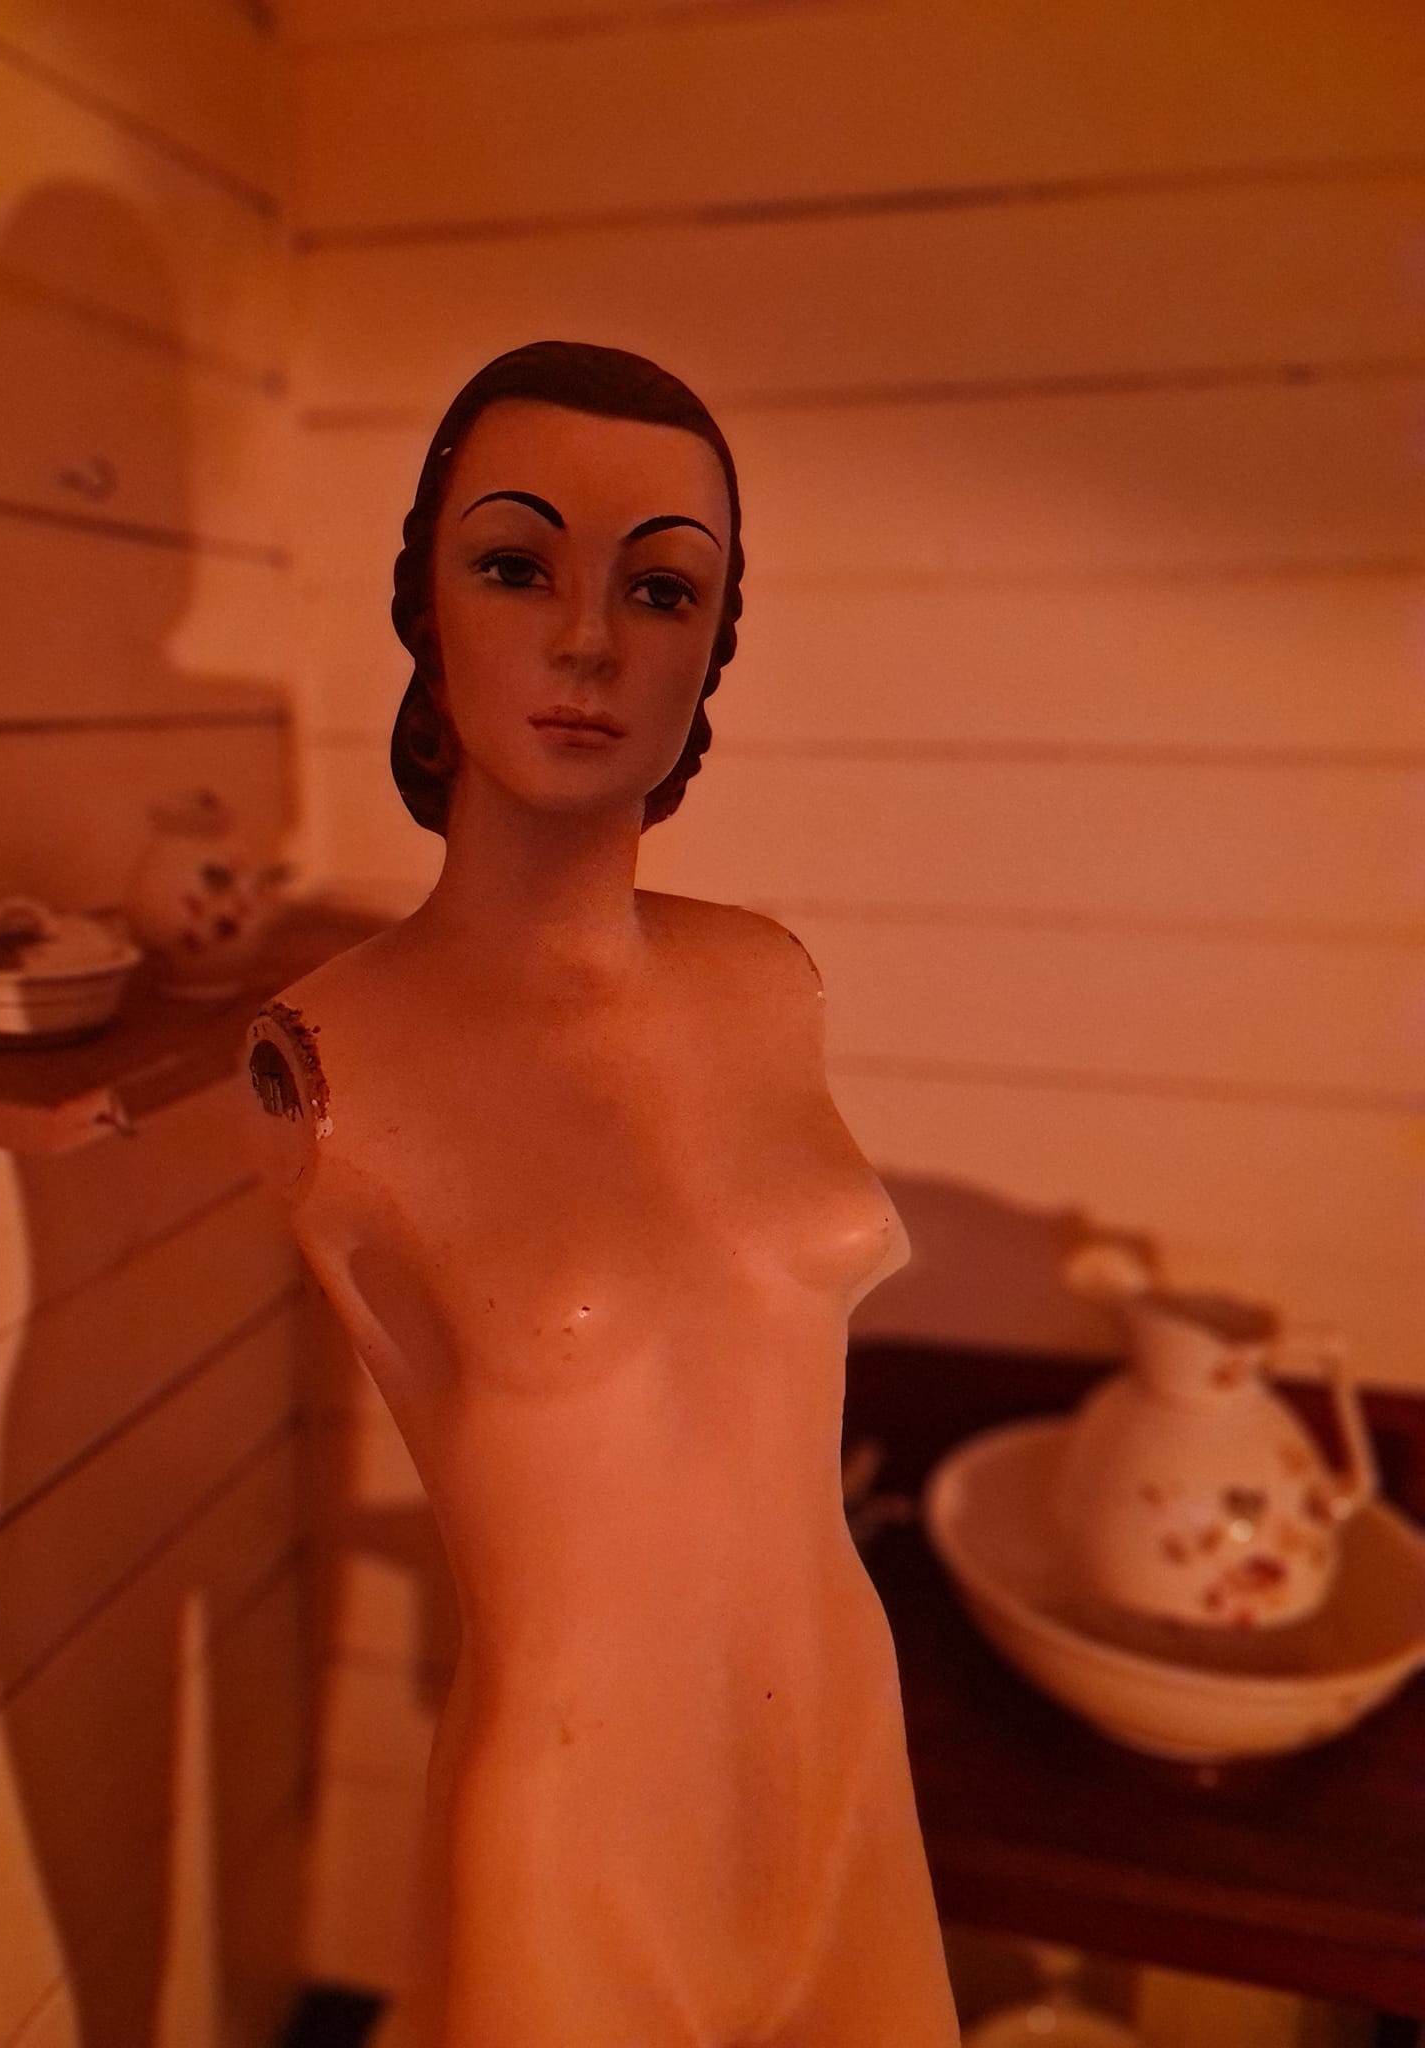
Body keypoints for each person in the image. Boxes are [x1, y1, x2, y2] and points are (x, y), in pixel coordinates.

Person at [243, 341, 960, 2047]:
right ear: (424, 604)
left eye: (660, 587)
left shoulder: (767, 979)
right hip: (573, 1830)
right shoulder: (331, 1058)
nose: (590, 641)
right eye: (516, 565)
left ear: (713, 646)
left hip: (844, 1766)